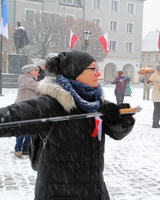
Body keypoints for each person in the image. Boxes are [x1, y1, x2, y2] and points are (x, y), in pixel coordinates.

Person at [0, 50, 135, 199]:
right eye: (93, 69)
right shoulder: (51, 104)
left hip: (94, 190)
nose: (98, 74)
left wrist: (118, 118)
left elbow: (118, 132)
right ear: (75, 72)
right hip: (59, 192)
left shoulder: (96, 102)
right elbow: (14, 115)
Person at [14, 64, 40, 158]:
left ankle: (25, 149)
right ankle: (18, 149)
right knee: (23, 129)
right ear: (29, 71)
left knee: (29, 128)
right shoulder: (26, 79)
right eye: (36, 71)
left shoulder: (30, 79)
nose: (38, 73)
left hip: (29, 107)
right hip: (23, 107)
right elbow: (39, 87)